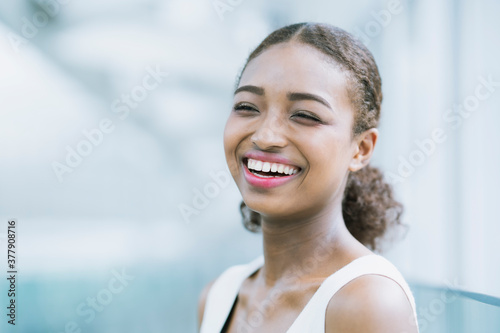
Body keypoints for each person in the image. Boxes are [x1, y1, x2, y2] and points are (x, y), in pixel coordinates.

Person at [198, 22, 419, 333]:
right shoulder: (219, 295)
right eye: (247, 107)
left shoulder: (368, 303)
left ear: (361, 149)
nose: (265, 135)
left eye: (305, 115)